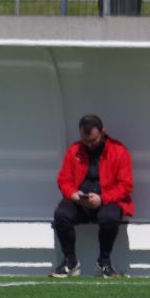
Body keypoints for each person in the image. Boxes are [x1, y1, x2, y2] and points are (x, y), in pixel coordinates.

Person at [51, 114, 133, 279]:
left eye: (93, 141)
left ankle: (104, 262)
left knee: (110, 217)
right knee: (61, 215)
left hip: (107, 200)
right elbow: (64, 179)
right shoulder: (75, 150)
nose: (89, 145)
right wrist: (74, 195)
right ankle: (70, 262)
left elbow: (125, 185)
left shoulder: (119, 151)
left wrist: (102, 199)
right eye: (85, 141)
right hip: (80, 201)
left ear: (103, 132)